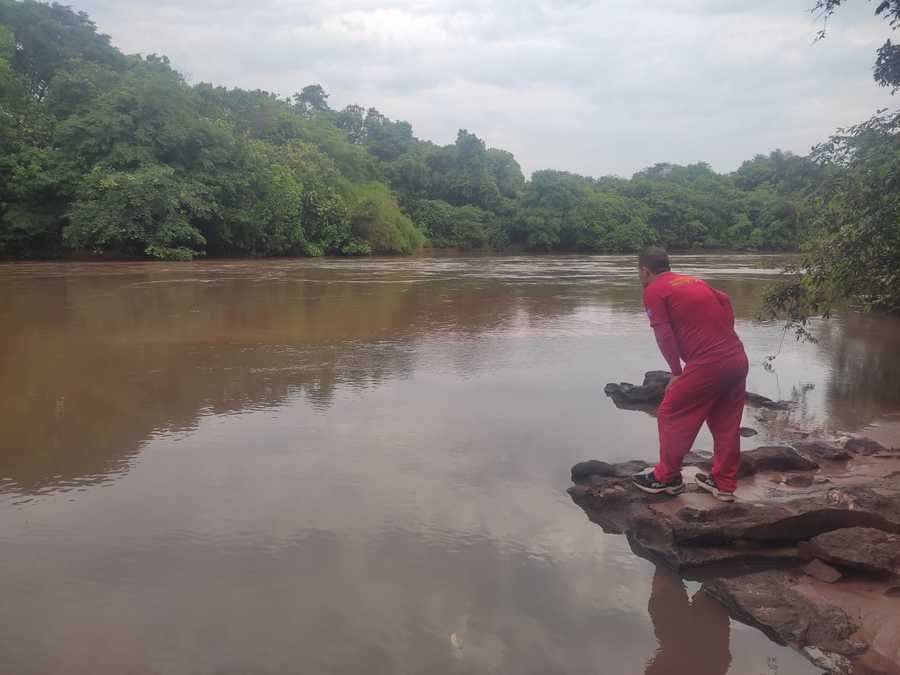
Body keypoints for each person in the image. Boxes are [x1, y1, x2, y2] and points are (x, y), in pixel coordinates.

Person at [631, 247, 748, 502]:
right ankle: (724, 483)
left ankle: (667, 478)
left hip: (709, 362)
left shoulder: (654, 290)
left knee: (670, 412)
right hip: (736, 357)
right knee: (726, 423)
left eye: (637, 272)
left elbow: (663, 335)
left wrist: (676, 371)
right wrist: (724, 332)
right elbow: (725, 299)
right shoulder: (692, 280)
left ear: (644, 270)